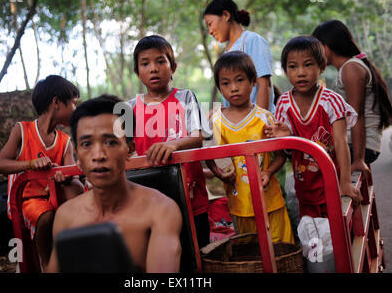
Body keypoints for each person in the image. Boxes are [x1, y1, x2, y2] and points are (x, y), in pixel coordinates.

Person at [46, 94, 183, 273]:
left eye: (110, 142)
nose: (98, 155)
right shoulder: (66, 216)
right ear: (77, 156)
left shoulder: (160, 210)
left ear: (130, 150)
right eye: (86, 144)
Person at [264, 36, 363, 219]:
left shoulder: (331, 101)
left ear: (322, 67)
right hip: (304, 189)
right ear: (286, 71)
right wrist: (285, 136)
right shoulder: (284, 103)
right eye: (293, 67)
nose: (300, 73)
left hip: (333, 184)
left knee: (339, 236)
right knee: (314, 241)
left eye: (308, 65)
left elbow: (341, 142)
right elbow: (284, 151)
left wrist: (346, 182)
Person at [0, 75, 84, 270]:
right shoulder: (22, 131)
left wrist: (65, 178)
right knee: (45, 215)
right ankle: (46, 264)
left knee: (75, 202)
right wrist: (31, 163)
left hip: (54, 196)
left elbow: (73, 179)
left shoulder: (64, 141)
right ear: (57, 102)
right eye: (74, 104)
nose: (76, 110)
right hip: (26, 199)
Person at [128, 35, 210, 248]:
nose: (153, 68)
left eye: (160, 61)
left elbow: (198, 136)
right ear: (138, 72)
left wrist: (173, 144)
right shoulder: (129, 109)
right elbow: (123, 148)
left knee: (197, 252)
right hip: (147, 199)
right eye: (145, 63)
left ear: (173, 67)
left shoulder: (185, 98)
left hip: (190, 195)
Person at [207, 51, 294, 244]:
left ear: (253, 81)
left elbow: (280, 156)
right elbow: (211, 156)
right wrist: (219, 173)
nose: (234, 88)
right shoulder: (215, 121)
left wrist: (269, 172)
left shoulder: (264, 118)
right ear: (219, 87)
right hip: (239, 206)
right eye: (226, 83)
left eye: (240, 80)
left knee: (282, 250)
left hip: (270, 202)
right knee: (251, 255)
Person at [312, 20, 392, 177]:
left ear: (326, 46)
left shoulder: (351, 69)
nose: (314, 54)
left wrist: (359, 159)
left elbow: (357, 116)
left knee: (309, 165)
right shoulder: (348, 68)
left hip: (360, 148)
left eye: (316, 49)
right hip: (353, 144)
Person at [203, 0, 275, 113]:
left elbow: (264, 84)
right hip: (238, 126)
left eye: (210, 24)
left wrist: (261, 123)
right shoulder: (226, 54)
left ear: (226, 15)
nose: (210, 31)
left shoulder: (252, 40)